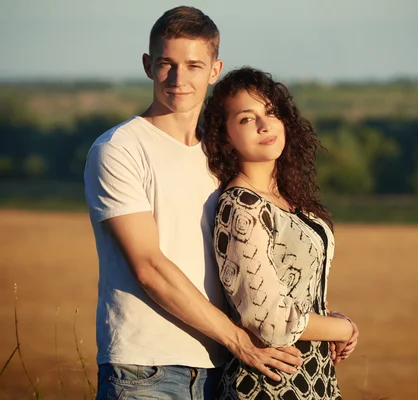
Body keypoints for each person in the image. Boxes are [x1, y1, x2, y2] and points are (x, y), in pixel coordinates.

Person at [83, 7, 302, 400]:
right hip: (145, 370)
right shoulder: (119, 149)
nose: (179, 79)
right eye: (167, 63)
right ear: (149, 65)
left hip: (224, 369)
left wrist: (318, 317)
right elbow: (150, 267)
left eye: (193, 65)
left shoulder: (222, 153)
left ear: (215, 70)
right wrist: (239, 340)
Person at [201, 67, 359, 399]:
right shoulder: (241, 206)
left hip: (313, 376)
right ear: (224, 135)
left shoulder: (289, 199)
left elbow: (293, 290)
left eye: (270, 112)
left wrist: (328, 319)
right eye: (246, 119)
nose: (264, 124)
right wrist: (341, 328)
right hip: (268, 383)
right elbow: (267, 318)